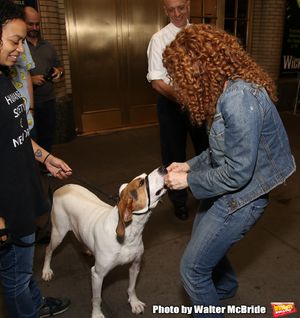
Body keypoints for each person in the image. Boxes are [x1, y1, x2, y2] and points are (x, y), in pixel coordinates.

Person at [162, 24, 296, 317]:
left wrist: (188, 179)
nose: (179, 83)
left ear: (201, 64)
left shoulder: (238, 98)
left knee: (193, 270)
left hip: (242, 198)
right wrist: (189, 164)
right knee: (203, 245)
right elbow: (221, 150)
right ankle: (222, 289)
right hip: (225, 188)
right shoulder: (223, 89)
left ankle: (209, 297)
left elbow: (238, 172)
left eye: (182, 73)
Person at [0, 1, 72, 317]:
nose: (20, 49)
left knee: (22, 268)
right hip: (7, 206)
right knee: (14, 279)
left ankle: (35, 303)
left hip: (22, 192)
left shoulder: (3, 75)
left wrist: (46, 157)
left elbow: (17, 134)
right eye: (14, 41)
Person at [146, 0, 208, 221]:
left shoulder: (199, 34)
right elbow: (156, 81)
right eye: (171, 9)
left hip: (199, 103)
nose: (177, 13)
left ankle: (206, 191)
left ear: (188, 6)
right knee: (174, 154)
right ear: (165, 11)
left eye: (180, 7)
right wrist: (184, 99)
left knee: (206, 150)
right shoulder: (159, 38)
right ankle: (179, 201)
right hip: (171, 104)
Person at [24, 6, 64, 154]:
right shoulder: (19, 47)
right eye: (30, 24)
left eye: (37, 24)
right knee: (32, 137)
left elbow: (60, 67)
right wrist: (31, 80)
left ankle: (46, 165)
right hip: (28, 104)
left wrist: (57, 72)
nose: (35, 27)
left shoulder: (48, 46)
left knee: (47, 136)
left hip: (48, 100)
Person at [10, 39, 36, 136]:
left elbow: (26, 72)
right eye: (15, 41)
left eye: (23, 41)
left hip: (27, 117)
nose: (21, 48)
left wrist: (31, 109)